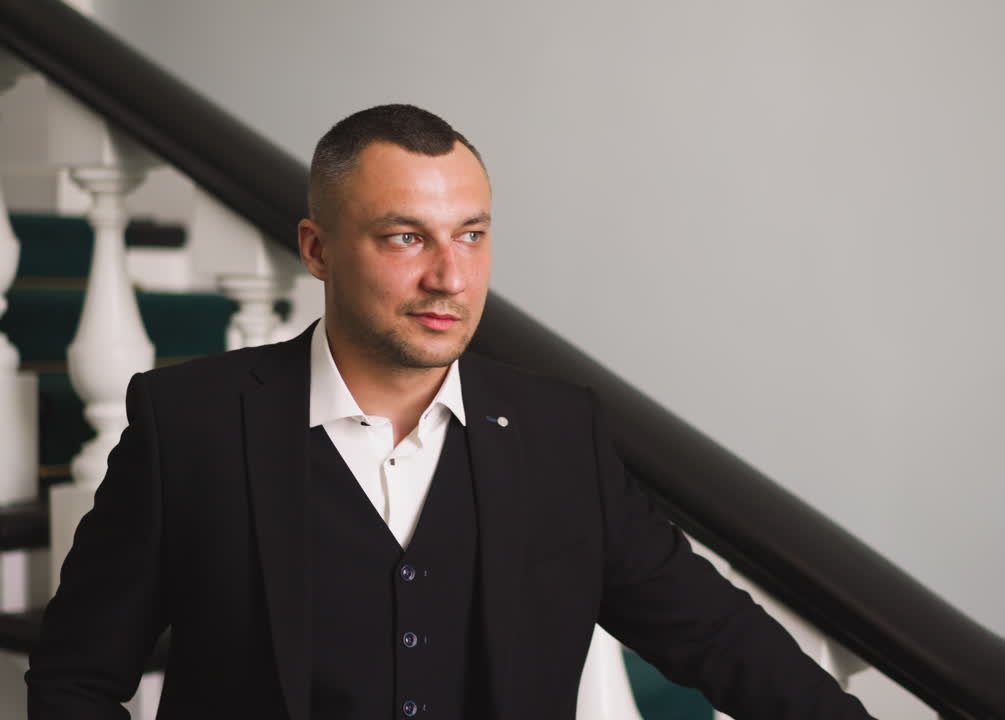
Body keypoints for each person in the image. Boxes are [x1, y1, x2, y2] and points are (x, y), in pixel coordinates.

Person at [27, 104, 876, 720]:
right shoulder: (192, 425)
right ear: (317, 250)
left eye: (471, 234)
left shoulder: (557, 434)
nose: (452, 277)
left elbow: (722, 641)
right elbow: (74, 680)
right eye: (406, 237)